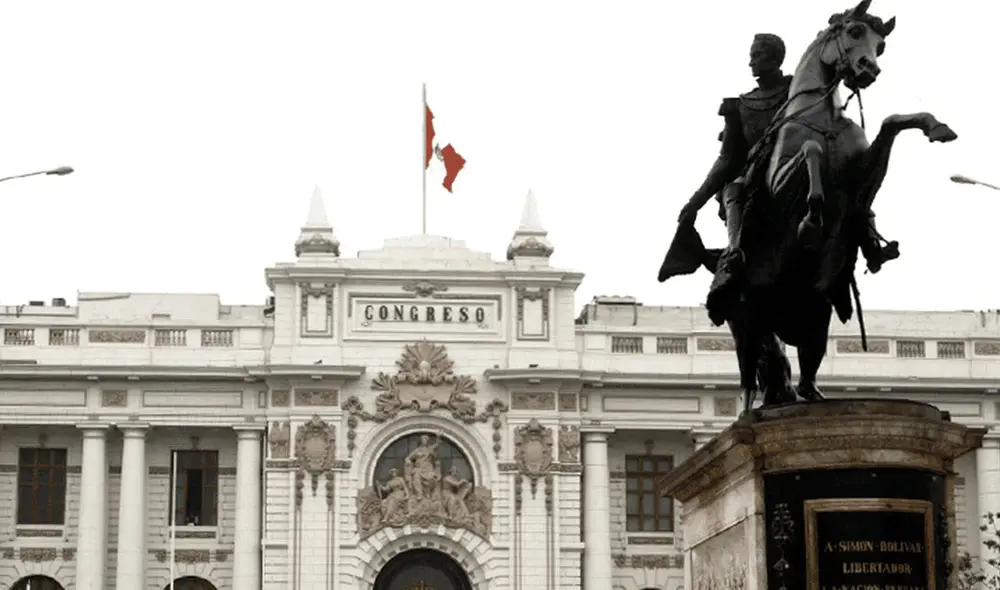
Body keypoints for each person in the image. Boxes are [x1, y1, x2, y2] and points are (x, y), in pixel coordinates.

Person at [676, 33, 896, 277]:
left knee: (849, 181)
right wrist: (694, 203)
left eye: (757, 56)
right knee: (732, 189)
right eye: (752, 57)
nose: (752, 63)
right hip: (756, 175)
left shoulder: (800, 90)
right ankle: (734, 251)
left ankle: (871, 245)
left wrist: (849, 67)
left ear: (776, 58)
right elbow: (726, 159)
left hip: (800, 161)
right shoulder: (738, 106)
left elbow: (830, 81)